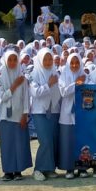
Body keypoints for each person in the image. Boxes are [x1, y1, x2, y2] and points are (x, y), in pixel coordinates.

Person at [0, 49, 32, 181]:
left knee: (19, 144)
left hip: (19, 116)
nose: (12, 62)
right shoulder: (0, 76)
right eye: (10, 60)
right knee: (7, 144)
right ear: (5, 60)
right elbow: (1, 98)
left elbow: (26, 98)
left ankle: (18, 171)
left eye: (14, 60)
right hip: (6, 116)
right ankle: (8, 171)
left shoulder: (22, 77)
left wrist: (25, 115)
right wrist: (13, 86)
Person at [29, 47, 62, 182]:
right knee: (45, 140)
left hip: (54, 110)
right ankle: (38, 169)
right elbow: (35, 93)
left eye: (50, 59)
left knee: (53, 140)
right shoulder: (34, 74)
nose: (48, 62)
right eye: (45, 59)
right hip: (40, 112)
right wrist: (49, 84)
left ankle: (49, 168)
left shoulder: (55, 72)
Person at [57, 53, 85, 178]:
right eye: (72, 63)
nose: (74, 65)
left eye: (77, 62)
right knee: (68, 142)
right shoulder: (63, 75)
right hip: (67, 114)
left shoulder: (85, 75)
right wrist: (76, 84)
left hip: (82, 113)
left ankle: (82, 168)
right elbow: (63, 92)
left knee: (81, 142)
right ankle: (69, 168)